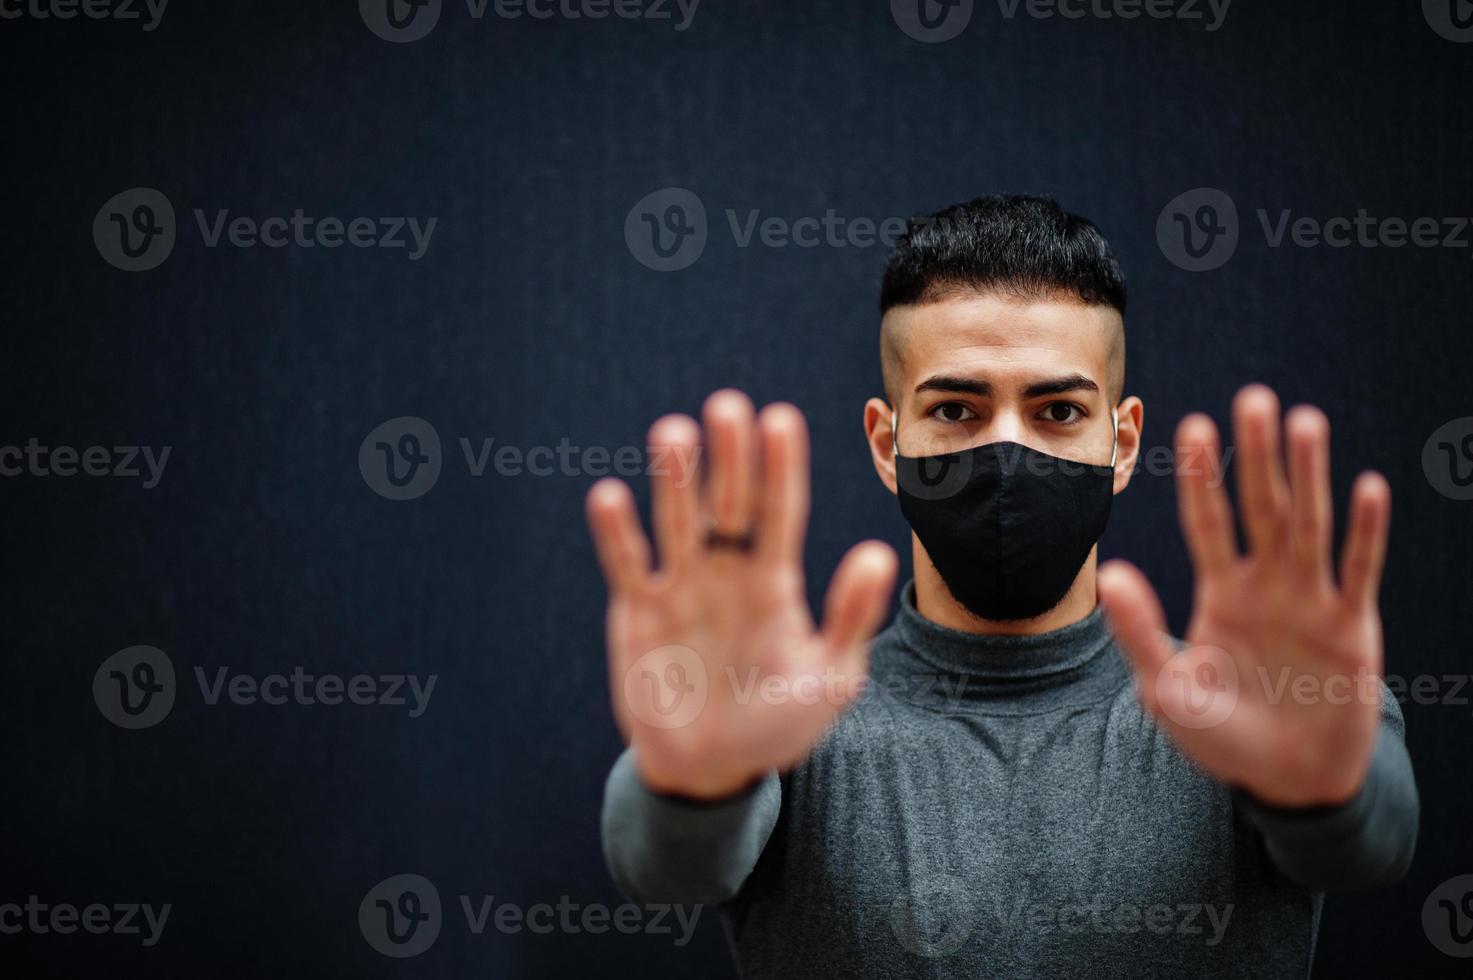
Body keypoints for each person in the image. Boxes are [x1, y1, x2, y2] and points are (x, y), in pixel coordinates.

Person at [585, 195, 1418, 978]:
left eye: (1057, 411)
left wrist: (1324, 790)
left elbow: (1370, 845)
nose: (1007, 451)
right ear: (886, 442)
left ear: (1123, 443)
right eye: (955, 410)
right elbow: (665, 866)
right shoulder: (783, 717)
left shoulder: (1259, 707)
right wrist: (692, 785)